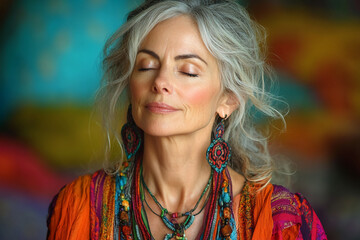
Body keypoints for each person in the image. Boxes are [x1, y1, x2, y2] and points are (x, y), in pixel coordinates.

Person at [47, 0, 327, 239]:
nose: (160, 82)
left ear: (228, 99)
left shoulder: (280, 220)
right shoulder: (80, 206)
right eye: (146, 66)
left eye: (188, 71)